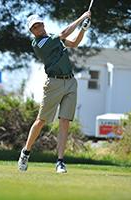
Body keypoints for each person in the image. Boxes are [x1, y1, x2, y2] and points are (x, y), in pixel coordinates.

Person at [18, 11, 91, 173]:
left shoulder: (52, 37)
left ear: (43, 24)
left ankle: (60, 162)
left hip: (71, 82)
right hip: (54, 83)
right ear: (32, 32)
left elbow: (74, 43)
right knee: (42, 120)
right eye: (34, 27)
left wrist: (83, 29)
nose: (38, 28)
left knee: (65, 121)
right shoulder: (39, 44)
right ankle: (26, 152)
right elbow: (64, 33)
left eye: (39, 25)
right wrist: (82, 17)